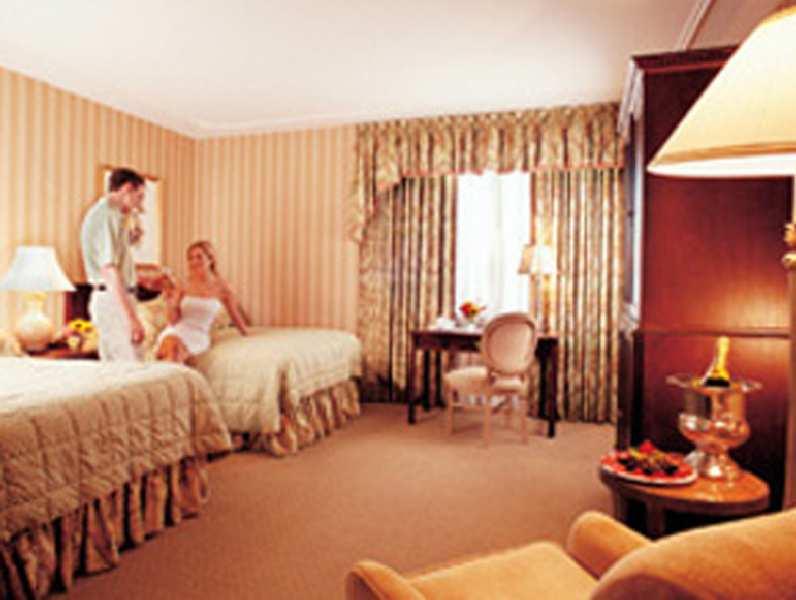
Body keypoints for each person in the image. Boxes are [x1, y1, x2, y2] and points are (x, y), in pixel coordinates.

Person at [80, 167, 146, 361]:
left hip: (115, 298)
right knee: (130, 365)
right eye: (139, 196)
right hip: (112, 299)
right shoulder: (105, 216)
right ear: (126, 189)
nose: (140, 203)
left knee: (125, 365)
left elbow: (112, 257)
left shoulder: (115, 216)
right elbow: (109, 270)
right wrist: (132, 319)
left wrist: (129, 239)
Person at [156, 241, 248, 363]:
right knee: (174, 346)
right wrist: (170, 302)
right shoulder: (183, 285)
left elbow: (235, 316)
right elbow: (173, 320)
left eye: (199, 257)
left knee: (176, 352)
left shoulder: (223, 288)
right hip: (176, 330)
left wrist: (246, 334)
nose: (194, 261)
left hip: (199, 335)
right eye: (190, 258)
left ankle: (168, 370)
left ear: (210, 259)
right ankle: (172, 370)